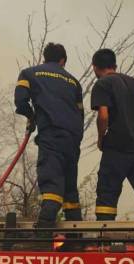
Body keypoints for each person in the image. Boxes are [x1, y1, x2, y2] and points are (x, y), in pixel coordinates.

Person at [15, 43, 84, 230]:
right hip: (72, 141)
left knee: (52, 184)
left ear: (45, 57)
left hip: (51, 137)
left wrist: (31, 116)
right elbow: (80, 114)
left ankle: (43, 233)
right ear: (63, 61)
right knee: (70, 191)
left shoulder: (29, 73)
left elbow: (20, 101)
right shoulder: (74, 82)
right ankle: (75, 239)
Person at [90, 48, 134, 220]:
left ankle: (103, 239)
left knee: (107, 191)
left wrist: (101, 138)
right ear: (115, 64)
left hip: (117, 147)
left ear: (95, 67)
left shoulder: (102, 84)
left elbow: (104, 116)